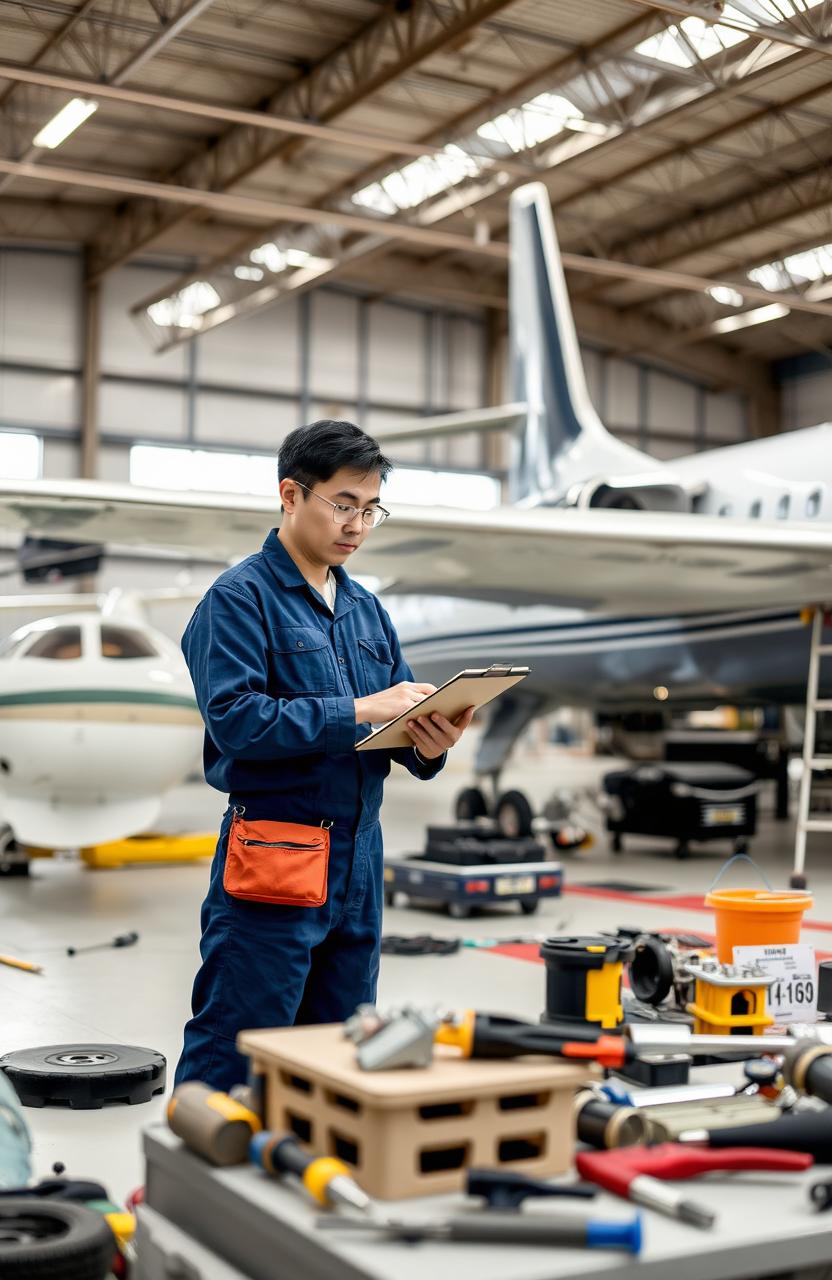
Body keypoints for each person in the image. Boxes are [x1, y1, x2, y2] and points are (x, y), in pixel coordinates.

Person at [175, 419, 475, 1090]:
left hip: (360, 862)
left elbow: (396, 728)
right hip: (277, 852)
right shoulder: (238, 599)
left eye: (371, 509)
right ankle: (187, 1185)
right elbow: (238, 723)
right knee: (239, 1041)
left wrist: (431, 742)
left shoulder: (367, 610)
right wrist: (364, 709)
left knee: (343, 1048)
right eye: (344, 504)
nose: (358, 525)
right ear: (291, 495)